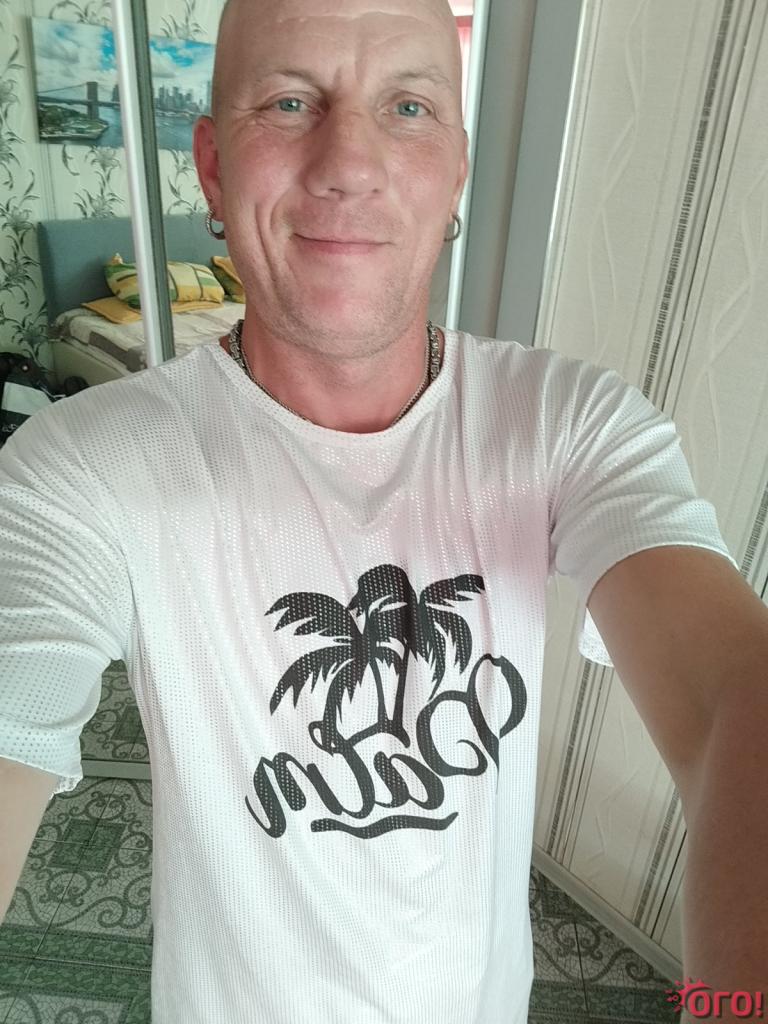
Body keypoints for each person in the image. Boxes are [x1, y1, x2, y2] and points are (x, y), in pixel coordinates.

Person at [1, 0, 766, 1021]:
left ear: (456, 169)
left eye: (408, 107)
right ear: (214, 167)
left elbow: (733, 702)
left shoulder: (573, 424)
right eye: (289, 103)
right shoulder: (79, 468)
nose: (348, 164)